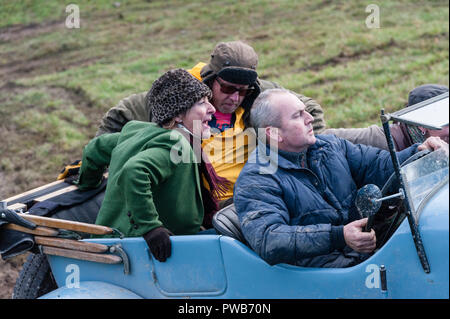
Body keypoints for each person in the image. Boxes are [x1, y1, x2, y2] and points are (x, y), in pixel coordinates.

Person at [233, 89, 448, 268]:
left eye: (306, 111)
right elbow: (269, 239)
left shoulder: (330, 146)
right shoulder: (258, 179)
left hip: (366, 255)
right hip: (323, 273)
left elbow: (379, 164)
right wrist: (339, 236)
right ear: (274, 133)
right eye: (298, 115)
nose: (310, 119)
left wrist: (418, 151)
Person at [95, 41, 326, 203]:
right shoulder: (181, 91)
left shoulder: (257, 92)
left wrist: (303, 154)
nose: (235, 98)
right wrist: (98, 165)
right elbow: (121, 114)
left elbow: (310, 110)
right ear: (210, 79)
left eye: (243, 91)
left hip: (250, 190)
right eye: (227, 88)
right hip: (192, 197)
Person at [76, 69, 227, 262]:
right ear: (178, 115)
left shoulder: (138, 132)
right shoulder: (176, 143)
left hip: (115, 239)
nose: (212, 109)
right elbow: (134, 171)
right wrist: (151, 228)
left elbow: (95, 148)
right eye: (201, 103)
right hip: (137, 249)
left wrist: (88, 183)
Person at [323, 84, 449, 150]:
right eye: (446, 123)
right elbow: (326, 137)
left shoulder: (439, 138)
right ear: (421, 125)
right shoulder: (382, 140)